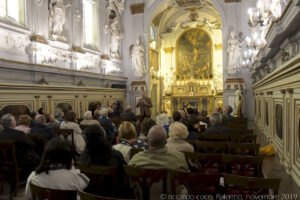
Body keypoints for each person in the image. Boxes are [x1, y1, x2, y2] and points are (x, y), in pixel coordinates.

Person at [78, 125, 126, 197]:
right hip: (113, 196)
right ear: (104, 137)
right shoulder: (116, 156)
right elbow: (124, 177)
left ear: (86, 139)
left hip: (90, 196)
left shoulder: (82, 158)